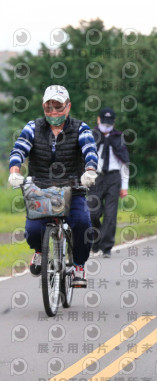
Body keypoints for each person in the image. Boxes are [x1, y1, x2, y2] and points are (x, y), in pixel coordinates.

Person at [7, 85, 98, 287]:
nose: (54, 112)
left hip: (72, 188)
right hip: (41, 189)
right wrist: (14, 170)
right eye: (49, 107)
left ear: (68, 107)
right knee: (32, 230)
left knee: (83, 223)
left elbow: (89, 149)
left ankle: (79, 266)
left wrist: (90, 170)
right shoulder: (33, 127)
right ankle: (40, 251)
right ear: (43, 108)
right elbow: (19, 149)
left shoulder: (80, 128)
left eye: (58, 107)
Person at [88, 107, 130, 258]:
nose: (106, 125)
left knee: (110, 215)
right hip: (95, 178)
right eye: (104, 122)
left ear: (114, 122)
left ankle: (106, 247)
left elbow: (124, 163)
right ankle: (96, 240)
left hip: (113, 178)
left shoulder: (118, 137)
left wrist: (124, 186)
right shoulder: (90, 136)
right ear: (98, 119)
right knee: (92, 212)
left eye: (109, 122)